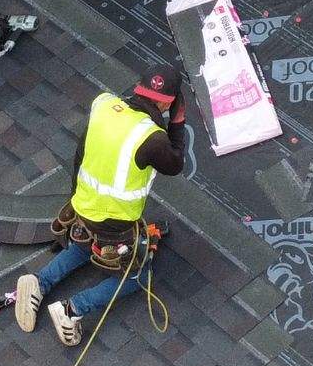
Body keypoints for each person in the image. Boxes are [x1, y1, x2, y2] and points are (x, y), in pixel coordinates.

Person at [17, 69, 190, 345]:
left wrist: (76, 198)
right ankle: (72, 310)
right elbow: (175, 163)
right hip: (115, 222)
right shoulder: (152, 138)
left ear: (138, 87)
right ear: (168, 103)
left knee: (86, 246)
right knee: (137, 277)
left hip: (84, 203)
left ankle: (40, 282)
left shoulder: (105, 104)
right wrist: (178, 122)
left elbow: (80, 152)